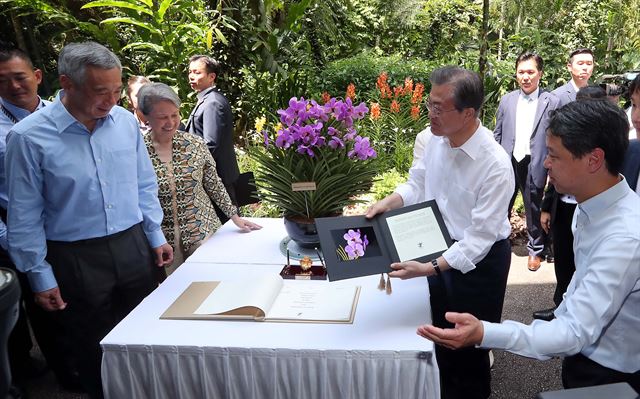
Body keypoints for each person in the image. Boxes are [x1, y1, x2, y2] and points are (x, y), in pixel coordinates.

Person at [418, 99, 640, 393]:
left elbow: (573, 332)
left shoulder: (623, 238)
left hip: (612, 371)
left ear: (593, 160)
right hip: (585, 356)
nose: (546, 163)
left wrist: (485, 332)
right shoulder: (591, 206)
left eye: (554, 155)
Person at [5, 41, 173, 398]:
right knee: (93, 347)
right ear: (67, 83)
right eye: (100, 92)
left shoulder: (126, 123)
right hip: (74, 256)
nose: (111, 100)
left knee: (146, 334)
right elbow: (25, 213)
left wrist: (154, 234)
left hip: (132, 246)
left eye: (116, 90)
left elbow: (143, 183)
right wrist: (38, 273)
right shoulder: (29, 137)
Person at [366, 67, 514, 399]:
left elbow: (480, 238)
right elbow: (417, 182)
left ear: (468, 113)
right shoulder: (435, 139)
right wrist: (389, 201)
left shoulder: (495, 165)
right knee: (439, 339)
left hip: (479, 263)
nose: (430, 113)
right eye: (430, 103)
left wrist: (431, 267)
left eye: (438, 107)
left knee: (469, 348)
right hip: (437, 246)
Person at [137, 83, 261, 275]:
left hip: (203, 233)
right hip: (164, 243)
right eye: (162, 117)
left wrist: (234, 216)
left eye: (174, 115)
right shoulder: (138, 152)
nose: (170, 123)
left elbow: (213, 182)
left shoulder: (194, 144)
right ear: (144, 117)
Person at [494, 52, 559, 271]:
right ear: (516, 74)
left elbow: (557, 135)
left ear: (540, 73)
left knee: (533, 205)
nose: (526, 77)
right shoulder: (507, 100)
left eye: (530, 72)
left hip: (536, 160)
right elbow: (498, 133)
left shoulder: (551, 101)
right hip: (508, 159)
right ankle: (496, 243)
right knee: (501, 203)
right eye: (521, 72)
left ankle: (535, 250)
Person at [185, 55, 240, 224]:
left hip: (218, 176)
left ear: (211, 76)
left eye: (197, 72)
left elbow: (211, 143)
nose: (192, 76)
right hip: (213, 175)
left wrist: (191, 167)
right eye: (190, 72)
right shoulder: (206, 99)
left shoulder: (212, 103)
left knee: (227, 227)